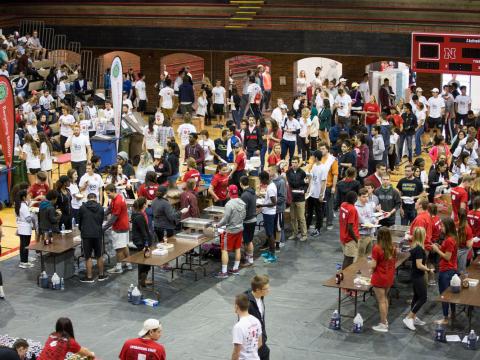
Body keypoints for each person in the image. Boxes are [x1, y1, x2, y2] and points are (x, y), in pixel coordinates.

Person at [403, 227, 434, 331]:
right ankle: (409, 317)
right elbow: (419, 265)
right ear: (423, 236)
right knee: (423, 298)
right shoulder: (420, 249)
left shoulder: (415, 246)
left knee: (416, 296)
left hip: (415, 274)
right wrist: (429, 270)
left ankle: (414, 317)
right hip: (418, 276)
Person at [431, 218, 459, 325]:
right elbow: (446, 250)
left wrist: (437, 250)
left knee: (444, 295)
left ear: (448, 227)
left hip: (446, 271)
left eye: (442, 226)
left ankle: (445, 318)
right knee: (451, 294)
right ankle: (452, 314)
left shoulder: (449, 240)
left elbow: (447, 257)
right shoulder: (450, 238)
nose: (440, 227)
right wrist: (439, 247)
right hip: (451, 270)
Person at [215, 185, 246, 278]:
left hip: (230, 231)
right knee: (237, 248)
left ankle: (224, 272)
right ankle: (235, 268)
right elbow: (244, 216)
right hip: (240, 229)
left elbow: (225, 219)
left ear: (229, 192)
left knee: (224, 250)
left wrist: (218, 225)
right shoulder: (242, 202)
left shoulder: (229, 204)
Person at [370, 226, 396, 333]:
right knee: (385, 298)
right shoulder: (393, 247)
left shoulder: (376, 248)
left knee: (381, 301)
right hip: (389, 276)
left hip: (379, 278)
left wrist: (370, 267)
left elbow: (373, 265)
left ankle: (383, 323)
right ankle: (385, 320)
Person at [78, 192, 107, 283]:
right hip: (97, 233)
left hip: (86, 234)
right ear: (96, 198)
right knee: (99, 255)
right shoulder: (101, 208)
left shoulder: (82, 208)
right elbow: (101, 221)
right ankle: (101, 275)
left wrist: (82, 229)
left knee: (88, 256)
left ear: (87, 198)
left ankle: (89, 277)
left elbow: (80, 221)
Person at [104, 184, 132, 274]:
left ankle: (118, 267)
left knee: (119, 248)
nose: (107, 195)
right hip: (124, 225)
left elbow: (113, 218)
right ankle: (128, 263)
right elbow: (109, 209)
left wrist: (104, 228)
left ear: (113, 191)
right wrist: (101, 215)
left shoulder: (118, 201)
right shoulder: (116, 198)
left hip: (119, 227)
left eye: (108, 193)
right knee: (124, 245)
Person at [245, 275, 270, 360]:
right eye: (266, 289)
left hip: (260, 337)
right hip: (252, 341)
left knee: (265, 353)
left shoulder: (260, 296)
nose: (269, 291)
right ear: (257, 290)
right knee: (265, 353)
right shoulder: (247, 303)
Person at [130, 197, 154, 288]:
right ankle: (142, 280)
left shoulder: (137, 214)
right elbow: (144, 232)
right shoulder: (139, 216)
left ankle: (142, 279)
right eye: (147, 202)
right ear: (144, 204)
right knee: (145, 261)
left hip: (140, 240)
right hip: (142, 242)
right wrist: (146, 244)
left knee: (143, 260)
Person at [231, 293, 263, 360]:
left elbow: (236, 352)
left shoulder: (238, 327)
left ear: (236, 306)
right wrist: (251, 352)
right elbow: (260, 342)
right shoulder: (256, 321)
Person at [286, 156, 308, 241]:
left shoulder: (302, 172)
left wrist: (304, 190)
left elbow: (306, 185)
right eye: (293, 162)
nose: (294, 164)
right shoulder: (288, 172)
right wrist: (302, 182)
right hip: (292, 197)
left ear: (298, 163)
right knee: (292, 217)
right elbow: (292, 183)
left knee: (301, 217)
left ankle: (304, 234)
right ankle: (294, 233)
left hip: (300, 198)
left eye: (295, 162)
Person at [258, 171, 277, 263]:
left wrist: (262, 205)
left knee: (270, 235)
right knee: (268, 234)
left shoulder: (270, 189)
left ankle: (272, 255)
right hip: (267, 213)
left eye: (261, 180)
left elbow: (274, 203)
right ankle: (269, 252)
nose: (261, 182)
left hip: (269, 214)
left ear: (265, 179)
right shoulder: (270, 185)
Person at [306, 150, 327, 236]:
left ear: (316, 157)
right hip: (312, 193)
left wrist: (321, 194)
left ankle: (317, 229)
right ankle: (306, 227)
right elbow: (311, 178)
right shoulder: (314, 166)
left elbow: (323, 182)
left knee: (319, 212)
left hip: (318, 194)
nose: (312, 157)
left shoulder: (323, 168)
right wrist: (308, 189)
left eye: (313, 156)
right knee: (309, 211)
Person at [339, 191, 360, 269]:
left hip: (343, 236)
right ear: (355, 199)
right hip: (350, 239)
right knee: (349, 260)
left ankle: (342, 276)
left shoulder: (343, 205)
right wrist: (356, 239)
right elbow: (350, 228)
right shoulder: (352, 209)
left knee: (346, 257)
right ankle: (344, 277)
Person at [239, 176, 257, 266]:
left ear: (241, 183)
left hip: (247, 221)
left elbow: (243, 210)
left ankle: (249, 260)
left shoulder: (244, 195)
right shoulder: (252, 191)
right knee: (248, 240)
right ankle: (248, 257)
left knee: (248, 241)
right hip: (253, 219)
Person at [355, 187, 377, 258]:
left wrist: (375, 220)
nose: (366, 198)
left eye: (367, 196)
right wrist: (369, 223)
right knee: (360, 256)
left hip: (371, 234)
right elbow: (360, 220)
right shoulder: (355, 208)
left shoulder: (368, 205)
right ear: (359, 197)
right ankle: (359, 269)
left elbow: (372, 215)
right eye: (363, 197)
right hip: (362, 235)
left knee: (369, 255)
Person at [15, 189, 34, 269]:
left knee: (23, 245)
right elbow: (28, 219)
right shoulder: (23, 207)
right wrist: (33, 214)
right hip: (25, 229)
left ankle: (24, 260)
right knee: (25, 246)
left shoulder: (19, 205)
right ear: (23, 197)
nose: (29, 196)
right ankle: (24, 262)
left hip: (21, 228)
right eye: (27, 195)